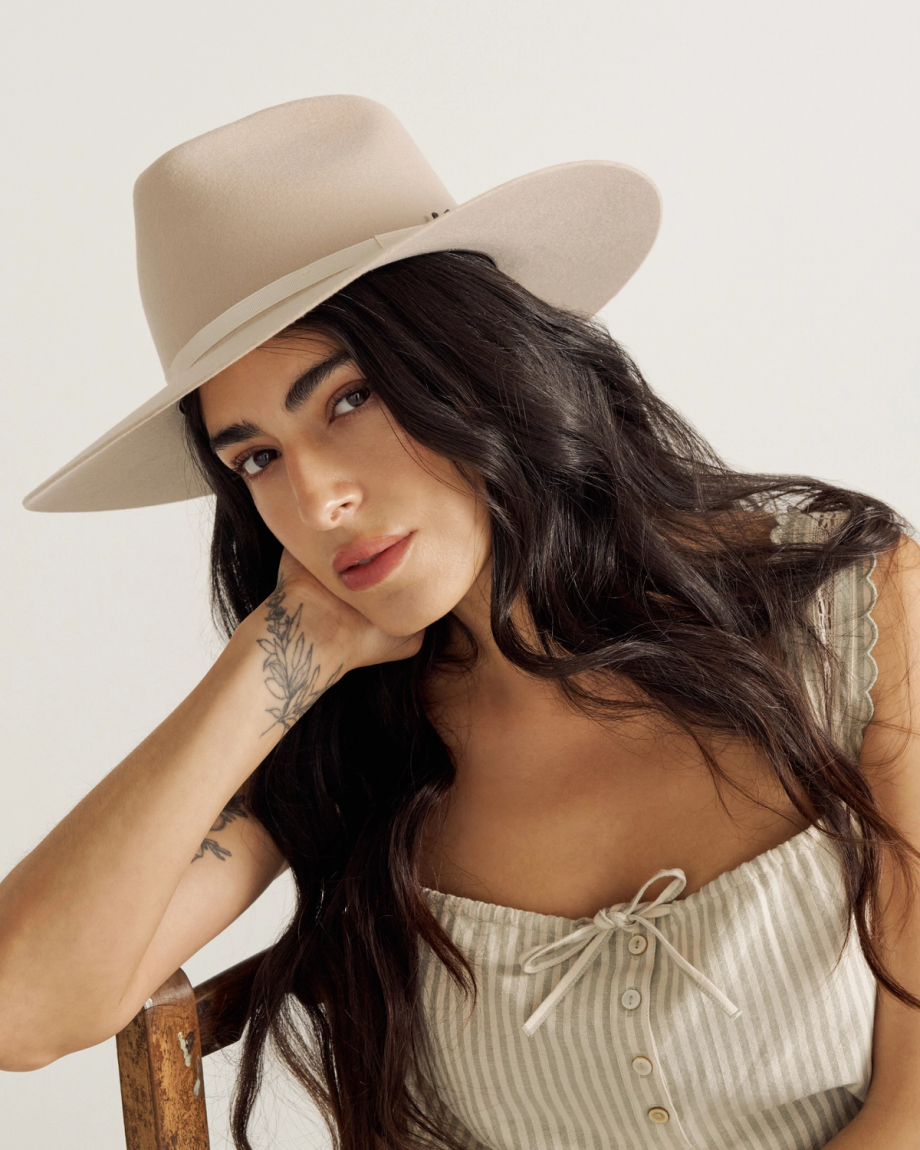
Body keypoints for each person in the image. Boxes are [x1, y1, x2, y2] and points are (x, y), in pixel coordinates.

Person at [2, 95, 919, 1150]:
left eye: (347, 399)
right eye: (255, 458)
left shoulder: (849, 607)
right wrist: (274, 659)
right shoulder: (347, 742)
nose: (317, 500)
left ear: (477, 359)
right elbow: (21, 1011)